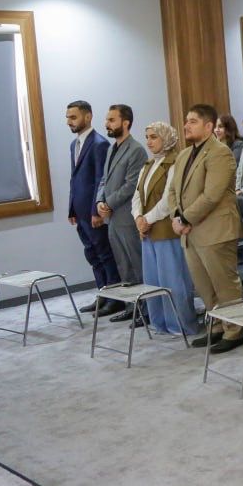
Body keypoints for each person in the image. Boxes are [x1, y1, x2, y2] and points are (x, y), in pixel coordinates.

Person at [167, 104, 243, 353]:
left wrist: (184, 219)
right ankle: (218, 325)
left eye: (193, 121)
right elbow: (172, 191)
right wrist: (175, 217)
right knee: (204, 286)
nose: (186, 125)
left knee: (224, 284)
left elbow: (212, 195)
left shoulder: (220, 153)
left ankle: (235, 331)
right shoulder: (183, 155)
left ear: (209, 126)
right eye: (186, 121)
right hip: (190, 232)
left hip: (215, 230)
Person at [132, 122, 200, 337]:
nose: (149, 141)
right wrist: (138, 218)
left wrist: (147, 219)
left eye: (154, 137)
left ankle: (180, 324)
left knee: (173, 280)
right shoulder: (148, 164)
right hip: (147, 231)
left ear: (166, 138)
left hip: (165, 229)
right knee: (153, 281)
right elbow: (137, 195)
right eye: (147, 137)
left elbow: (168, 200)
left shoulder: (175, 162)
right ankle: (159, 322)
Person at [66, 101, 120, 314]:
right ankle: (103, 294)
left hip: (93, 212)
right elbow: (74, 179)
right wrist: (71, 209)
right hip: (79, 212)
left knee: (105, 254)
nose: (69, 121)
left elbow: (100, 180)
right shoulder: (74, 145)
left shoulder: (99, 144)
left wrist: (95, 211)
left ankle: (115, 298)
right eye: (67, 117)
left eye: (73, 117)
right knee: (92, 255)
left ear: (87, 117)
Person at [95, 105, 147, 325]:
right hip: (113, 218)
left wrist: (109, 202)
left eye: (112, 120)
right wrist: (99, 201)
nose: (107, 124)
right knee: (123, 265)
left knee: (136, 264)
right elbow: (104, 180)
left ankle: (145, 310)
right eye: (107, 120)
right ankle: (131, 307)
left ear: (125, 123)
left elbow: (132, 184)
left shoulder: (136, 150)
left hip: (127, 216)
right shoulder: (111, 149)